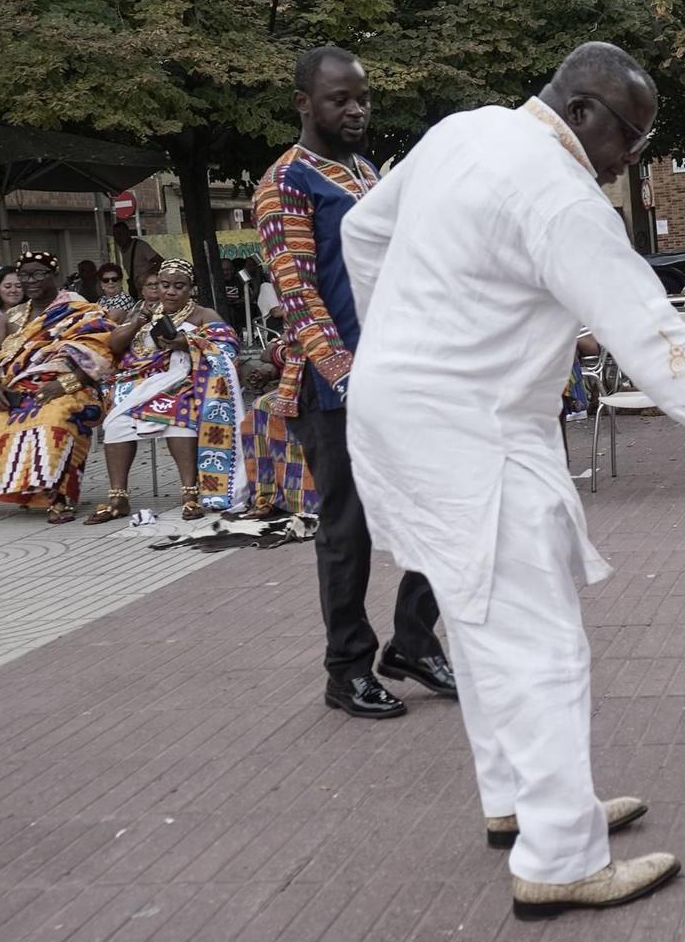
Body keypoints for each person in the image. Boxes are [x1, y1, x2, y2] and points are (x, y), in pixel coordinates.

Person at [340, 40, 685, 917]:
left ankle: (520, 803)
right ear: (583, 113)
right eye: (631, 136)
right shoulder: (558, 194)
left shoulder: (463, 131)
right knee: (540, 642)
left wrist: (396, 336)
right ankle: (559, 858)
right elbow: (653, 334)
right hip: (474, 431)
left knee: (474, 622)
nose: (632, 160)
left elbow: (363, 233)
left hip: (402, 414)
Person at [254, 43, 455, 719]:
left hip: (396, 372)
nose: (357, 108)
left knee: (446, 507)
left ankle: (412, 639)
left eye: (363, 96)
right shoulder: (286, 181)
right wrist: (347, 376)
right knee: (348, 529)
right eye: (341, 98)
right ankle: (346, 668)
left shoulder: (368, 171)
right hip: (329, 387)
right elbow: (299, 295)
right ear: (303, 104)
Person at [0, 252, 115, 524]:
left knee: (53, 419)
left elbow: (101, 356)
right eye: (25, 275)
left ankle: (57, 498)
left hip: (69, 389)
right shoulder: (11, 317)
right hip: (13, 389)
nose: (31, 280)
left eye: (39, 273)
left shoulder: (80, 310)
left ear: (54, 276)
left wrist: (63, 384)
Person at [84, 258, 246, 524]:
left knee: (180, 416)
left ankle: (189, 495)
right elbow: (114, 345)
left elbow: (228, 349)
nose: (170, 291)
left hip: (183, 383)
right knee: (115, 422)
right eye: (165, 285)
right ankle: (118, 498)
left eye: (178, 286)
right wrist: (139, 321)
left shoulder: (204, 315)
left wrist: (186, 343)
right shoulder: (141, 313)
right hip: (137, 383)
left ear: (190, 288)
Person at [239, 346, 318, 517]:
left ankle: (317, 499)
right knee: (262, 406)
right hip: (298, 386)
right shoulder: (297, 323)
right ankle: (267, 495)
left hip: (338, 385)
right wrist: (275, 363)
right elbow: (268, 352)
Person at [110, 220, 161, 291]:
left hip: (147, 287)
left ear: (127, 233)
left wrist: (146, 276)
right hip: (136, 287)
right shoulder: (122, 249)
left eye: (120, 234)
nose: (117, 238)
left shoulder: (140, 246)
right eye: (115, 235)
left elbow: (161, 261)